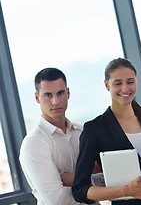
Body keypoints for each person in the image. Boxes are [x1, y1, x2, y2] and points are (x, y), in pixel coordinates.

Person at [72, 58, 141, 205]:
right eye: (118, 83)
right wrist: (126, 191)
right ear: (106, 85)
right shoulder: (94, 129)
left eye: (130, 82)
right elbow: (80, 190)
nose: (125, 88)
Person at [19, 68, 89, 204]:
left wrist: (75, 179)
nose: (55, 101)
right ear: (37, 98)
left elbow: (109, 178)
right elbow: (58, 201)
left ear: (68, 93)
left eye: (60, 93)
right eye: (48, 95)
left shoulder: (82, 132)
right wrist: (90, 180)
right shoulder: (34, 143)